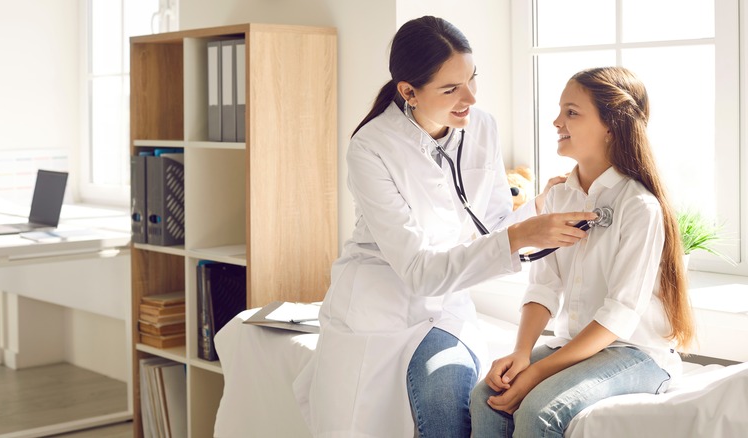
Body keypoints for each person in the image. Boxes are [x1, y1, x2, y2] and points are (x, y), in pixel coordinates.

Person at [292, 16, 596, 438]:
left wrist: (537, 212)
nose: (469, 97)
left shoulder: (481, 127)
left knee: (450, 400)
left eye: (472, 79)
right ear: (408, 92)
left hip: (446, 309)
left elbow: (491, 225)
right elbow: (417, 271)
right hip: (379, 305)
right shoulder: (370, 148)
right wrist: (522, 235)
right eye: (451, 89)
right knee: (426, 407)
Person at [470, 66, 695, 437]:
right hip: (576, 346)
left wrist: (537, 373)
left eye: (571, 112)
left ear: (611, 125)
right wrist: (522, 354)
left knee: (539, 412)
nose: (557, 120)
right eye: (561, 110)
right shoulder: (559, 196)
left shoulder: (640, 206)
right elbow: (543, 288)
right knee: (486, 397)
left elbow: (619, 315)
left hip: (635, 352)